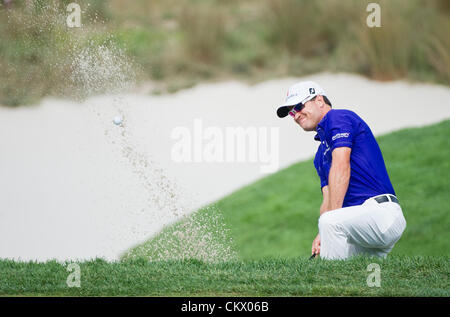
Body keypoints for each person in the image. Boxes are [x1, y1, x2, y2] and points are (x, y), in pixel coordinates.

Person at [276, 81, 406, 260]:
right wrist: (322, 233)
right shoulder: (320, 155)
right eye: (291, 112)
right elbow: (327, 200)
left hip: (381, 213)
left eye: (298, 106)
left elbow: (341, 165)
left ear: (319, 100)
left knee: (330, 225)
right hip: (359, 224)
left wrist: (329, 223)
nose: (295, 115)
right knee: (353, 275)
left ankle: (331, 286)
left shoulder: (337, 118)